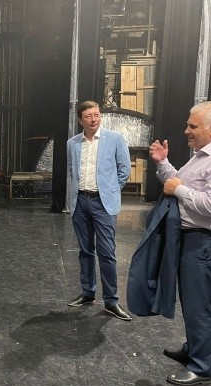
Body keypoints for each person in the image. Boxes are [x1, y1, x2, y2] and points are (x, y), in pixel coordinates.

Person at [149, 101, 211, 385]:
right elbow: (177, 182)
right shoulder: (203, 156)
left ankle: (202, 366)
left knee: (197, 305)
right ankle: (194, 350)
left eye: (193, 126)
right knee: (192, 301)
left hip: (206, 241)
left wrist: (179, 190)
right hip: (193, 239)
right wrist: (163, 164)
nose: (186, 131)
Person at [66, 100, 132, 321]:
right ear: (80, 120)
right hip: (80, 202)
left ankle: (111, 301)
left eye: (96, 115)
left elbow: (124, 170)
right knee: (85, 251)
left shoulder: (115, 139)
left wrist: (110, 190)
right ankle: (88, 293)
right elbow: (72, 171)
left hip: (103, 204)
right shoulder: (72, 143)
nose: (93, 119)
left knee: (107, 252)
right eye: (88, 116)